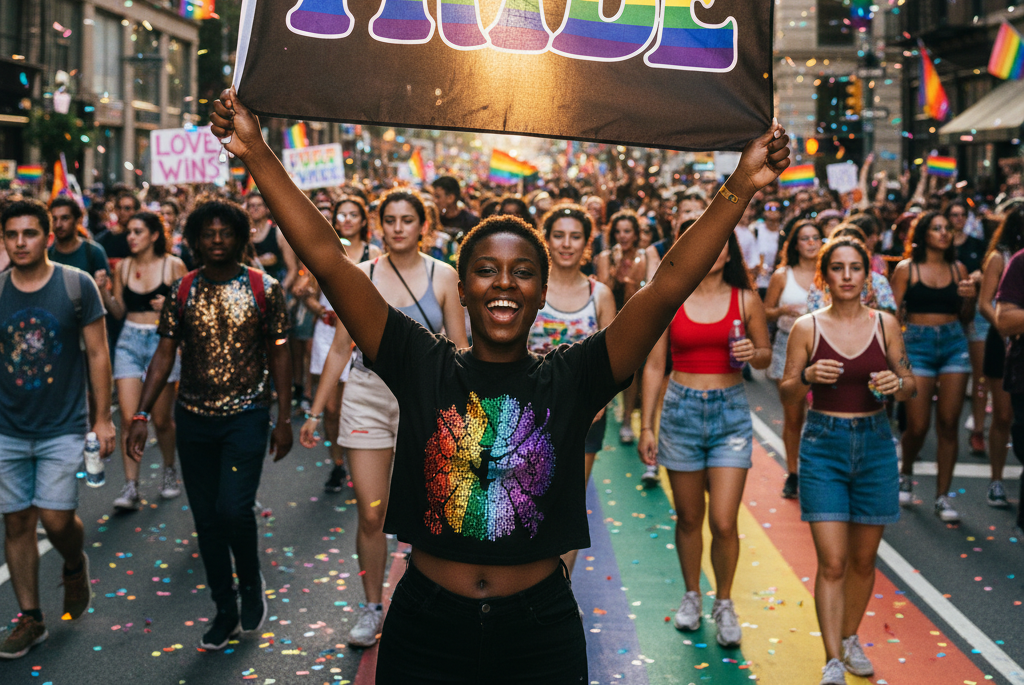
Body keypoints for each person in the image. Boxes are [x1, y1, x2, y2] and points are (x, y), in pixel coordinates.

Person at [211, 86, 789, 685]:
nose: (503, 284)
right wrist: (255, 152)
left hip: (538, 630)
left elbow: (667, 285)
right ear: (461, 288)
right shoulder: (419, 362)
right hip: (426, 625)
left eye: (522, 273)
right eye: (485, 270)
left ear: (542, 293)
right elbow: (330, 262)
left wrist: (742, 184)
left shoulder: (575, 375)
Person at [300, 189, 466, 649]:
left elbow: (459, 353)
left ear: (423, 226)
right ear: (380, 225)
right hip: (367, 396)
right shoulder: (361, 275)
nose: (397, 227)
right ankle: (372, 606)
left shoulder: (444, 276)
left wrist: (465, 415)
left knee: (432, 511)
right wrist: (316, 410)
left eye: (407, 220)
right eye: (389, 219)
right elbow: (339, 348)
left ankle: (430, 603)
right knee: (372, 513)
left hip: (424, 403)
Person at [125, 199, 292, 650]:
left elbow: (280, 350)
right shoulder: (182, 290)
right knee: (207, 519)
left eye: (226, 233)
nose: (217, 240)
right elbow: (164, 354)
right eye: (208, 234)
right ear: (196, 241)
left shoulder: (264, 287)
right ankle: (225, 609)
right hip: (193, 420)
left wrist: (284, 418)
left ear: (241, 238)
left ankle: (251, 580)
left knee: (234, 509)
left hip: (248, 416)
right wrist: (141, 413)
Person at [780, 235, 915, 685]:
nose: (846, 277)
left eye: (854, 268)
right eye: (837, 268)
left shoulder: (886, 324)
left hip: (875, 443)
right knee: (833, 561)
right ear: (825, 275)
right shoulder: (807, 328)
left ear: (866, 275)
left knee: (863, 559)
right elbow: (786, 391)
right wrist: (806, 375)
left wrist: (899, 384)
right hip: (823, 444)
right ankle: (833, 658)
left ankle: (852, 636)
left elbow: (911, 382)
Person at [639, 223, 770, 649]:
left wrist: (755, 353)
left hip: (730, 413)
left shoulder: (746, 298)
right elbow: (655, 365)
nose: (710, 250)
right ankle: (692, 595)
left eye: (717, 242)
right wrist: (646, 424)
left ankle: (725, 602)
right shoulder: (671, 298)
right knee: (690, 517)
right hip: (680, 412)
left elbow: (767, 356)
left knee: (724, 520)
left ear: (729, 252)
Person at [0, 200, 114, 659]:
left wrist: (103, 419)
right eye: (12, 235)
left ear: (48, 236)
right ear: (4, 240)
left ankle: (73, 562)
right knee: (18, 521)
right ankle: (32, 617)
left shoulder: (76, 285)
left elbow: (98, 353)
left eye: (30, 233)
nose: (21, 242)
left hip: (63, 426)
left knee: (56, 518)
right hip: (7, 427)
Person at [528, 204, 615, 568]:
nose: (566, 244)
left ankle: (559, 593)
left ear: (586, 243)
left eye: (575, 236)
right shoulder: (530, 285)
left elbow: (614, 359)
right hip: (528, 412)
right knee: (527, 503)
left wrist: (600, 403)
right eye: (558, 235)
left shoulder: (601, 294)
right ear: (546, 240)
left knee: (567, 504)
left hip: (584, 415)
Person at [891, 211, 976, 522]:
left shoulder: (959, 268)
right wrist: (896, 354)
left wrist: (969, 298)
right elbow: (892, 313)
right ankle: (906, 470)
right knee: (917, 425)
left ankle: (943, 496)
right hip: (917, 345)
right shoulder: (906, 270)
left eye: (947, 229)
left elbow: (966, 317)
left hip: (954, 343)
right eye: (936, 228)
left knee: (950, 422)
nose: (944, 233)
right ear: (923, 234)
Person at [99, 211, 187, 510]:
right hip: (129, 342)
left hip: (162, 343)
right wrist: (102, 291)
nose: (131, 237)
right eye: (129, 232)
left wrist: (171, 306)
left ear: (153, 235)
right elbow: (119, 311)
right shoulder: (123, 267)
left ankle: (168, 470)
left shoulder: (173, 265)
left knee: (161, 420)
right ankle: (131, 485)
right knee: (128, 418)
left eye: (137, 231)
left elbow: (189, 311)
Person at [306, 196, 382, 493]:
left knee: (358, 403)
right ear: (333, 220)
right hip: (329, 336)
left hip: (361, 335)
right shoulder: (321, 250)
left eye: (353, 215)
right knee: (332, 408)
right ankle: (337, 464)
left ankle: (360, 460)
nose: (347, 220)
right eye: (342, 215)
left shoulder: (373, 253)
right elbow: (310, 294)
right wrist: (319, 309)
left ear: (363, 221)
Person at [764, 218, 822, 499]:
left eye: (816, 238)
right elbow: (766, 311)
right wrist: (783, 310)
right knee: (793, 416)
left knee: (822, 415)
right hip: (788, 347)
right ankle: (793, 472)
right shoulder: (782, 275)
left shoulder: (830, 273)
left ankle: (816, 470)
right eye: (805, 238)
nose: (811, 243)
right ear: (795, 244)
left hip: (823, 347)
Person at [976, 202, 1024, 509]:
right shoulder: (1002, 258)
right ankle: (996, 478)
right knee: (1004, 415)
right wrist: (1007, 331)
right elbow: (986, 303)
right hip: (1003, 341)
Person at [597, 210, 654, 444]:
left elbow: (641, 291)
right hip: (608, 318)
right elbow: (603, 289)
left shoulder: (644, 258)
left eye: (627, 231)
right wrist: (615, 268)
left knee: (632, 369)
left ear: (636, 234)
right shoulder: (605, 257)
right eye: (618, 231)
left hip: (632, 316)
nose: (622, 236)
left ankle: (628, 418)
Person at [245, 191, 300, 404]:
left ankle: (282, 386)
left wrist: (278, 290)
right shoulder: (243, 235)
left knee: (278, 343)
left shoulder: (278, 234)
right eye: (251, 206)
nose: (254, 209)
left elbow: (292, 269)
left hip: (274, 296)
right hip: (250, 297)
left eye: (259, 205)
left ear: (267, 209)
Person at [947, 198, 989, 457]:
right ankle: (946, 426)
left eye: (962, 214)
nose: (958, 219)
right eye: (953, 214)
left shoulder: (977, 246)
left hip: (973, 317)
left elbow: (989, 274)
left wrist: (978, 276)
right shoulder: (940, 246)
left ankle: (978, 429)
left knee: (980, 374)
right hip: (946, 318)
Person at [48, 197, 110, 284]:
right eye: (54, 219)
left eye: (65, 218)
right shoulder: (47, 255)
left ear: (78, 220)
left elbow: (105, 293)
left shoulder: (94, 252)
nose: (58, 225)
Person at [96, 190, 140, 269]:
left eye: (127, 208)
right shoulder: (105, 237)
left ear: (136, 211)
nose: (122, 212)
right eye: (119, 208)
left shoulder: (143, 237)